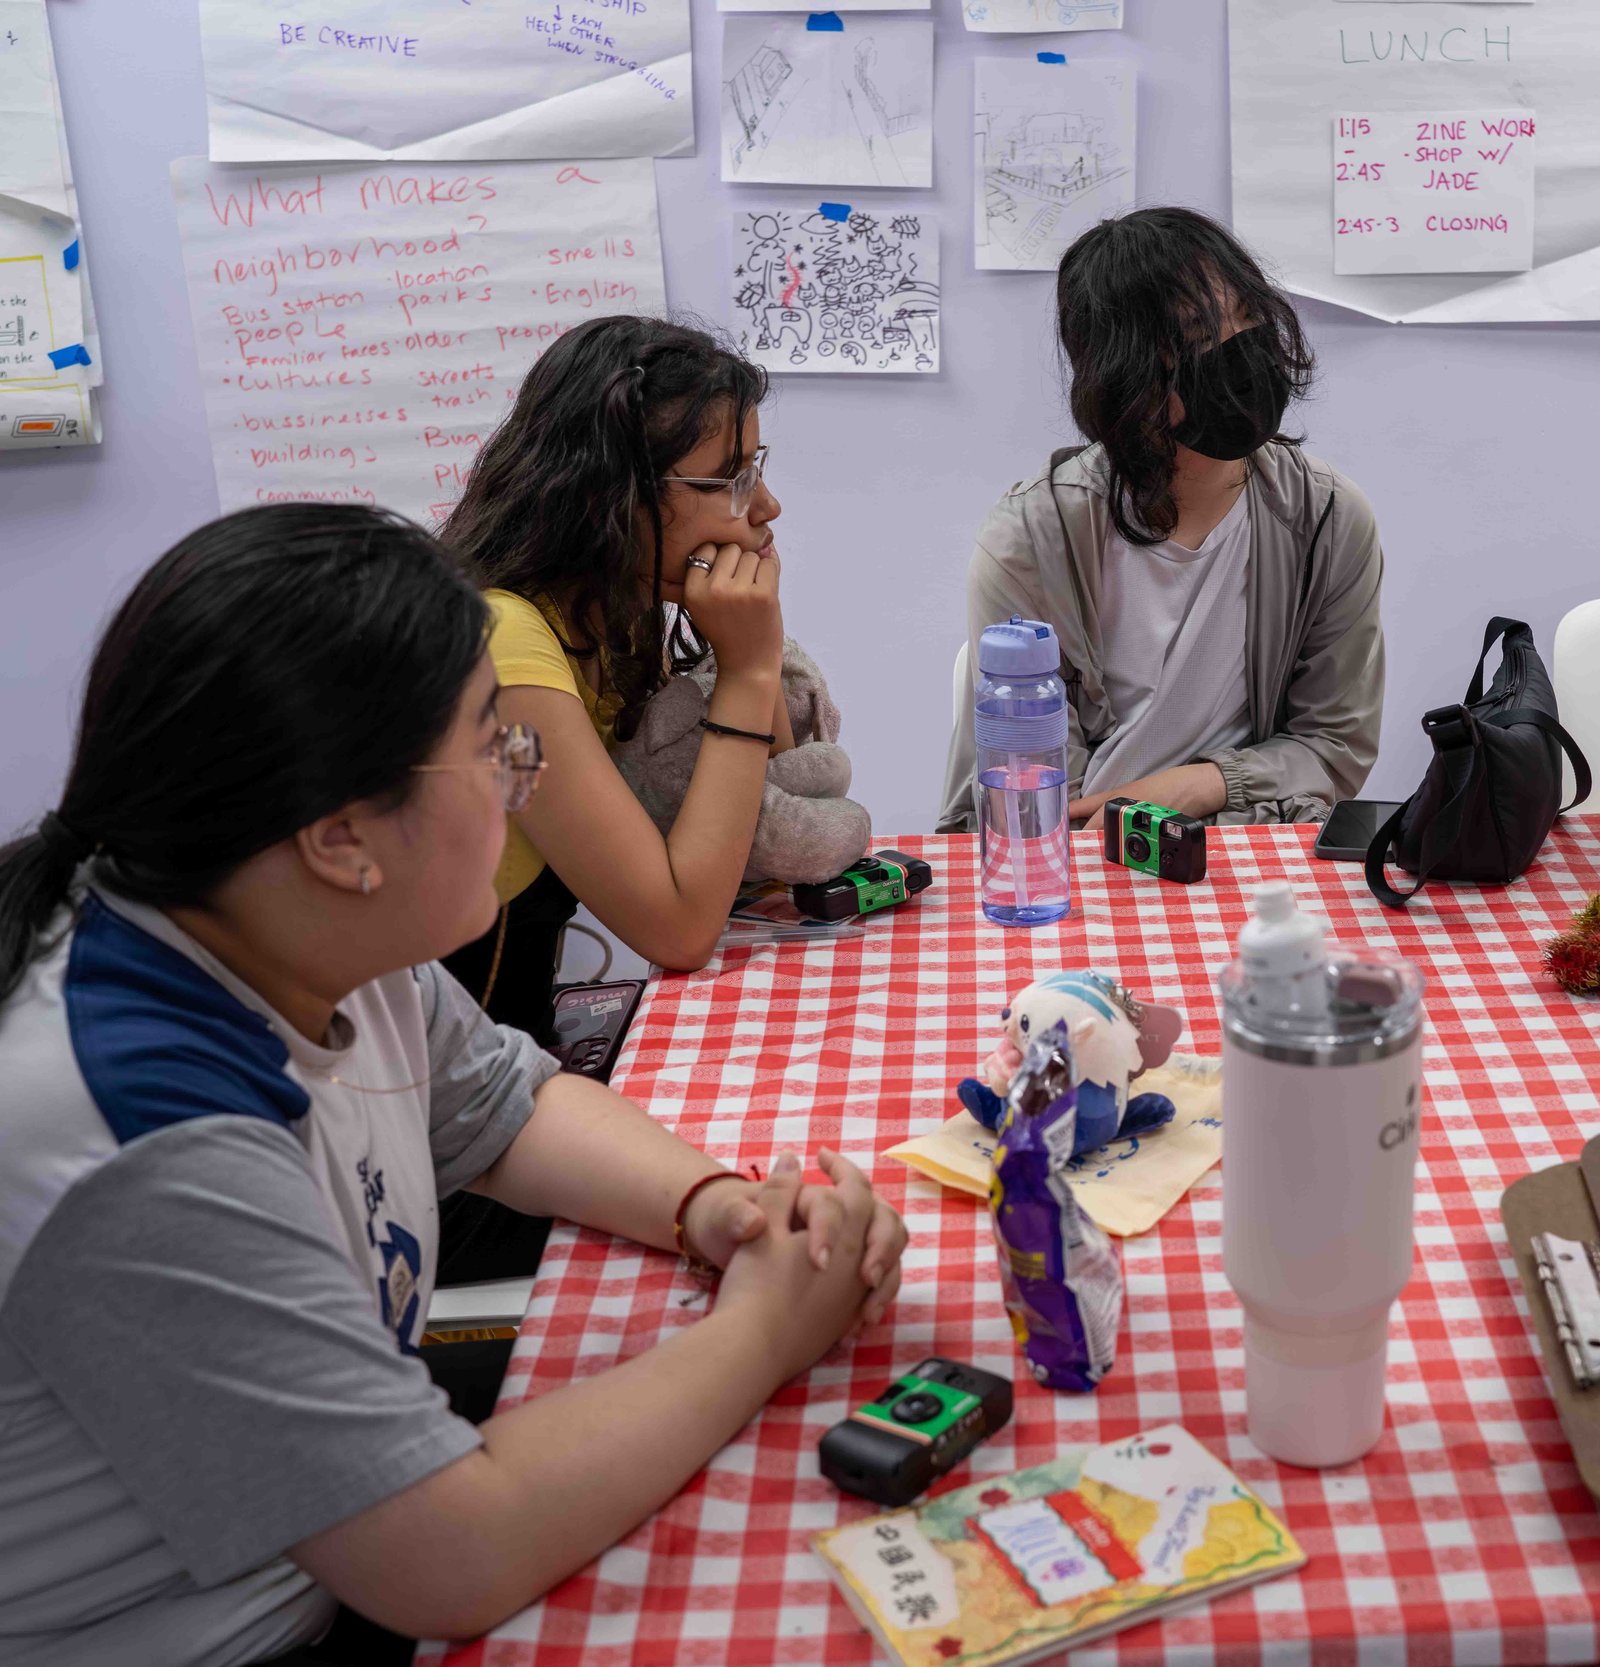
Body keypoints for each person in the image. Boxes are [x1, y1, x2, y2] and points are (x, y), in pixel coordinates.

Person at [0, 506, 904, 1667]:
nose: (519, 777)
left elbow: (503, 1105)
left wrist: (716, 1206)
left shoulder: (284, 921)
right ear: (341, 836)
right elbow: (452, 1551)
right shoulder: (146, 1132)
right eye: (493, 745)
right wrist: (767, 1323)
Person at [936, 207, 1386, 833]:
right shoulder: (1033, 538)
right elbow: (1035, 789)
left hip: (1249, 840)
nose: (1242, 354)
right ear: (1124, 377)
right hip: (1084, 857)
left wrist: (1202, 784)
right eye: (1201, 337)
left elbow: (1336, 743)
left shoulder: (1325, 518)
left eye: (1249, 318)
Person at [437, 316, 792, 1045]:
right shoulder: (503, 648)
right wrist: (751, 669)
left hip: (513, 1050)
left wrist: (750, 650)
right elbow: (681, 927)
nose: (765, 507)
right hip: (446, 1090)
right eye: (733, 479)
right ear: (612, 494)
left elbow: (768, 816)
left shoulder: (612, 614)